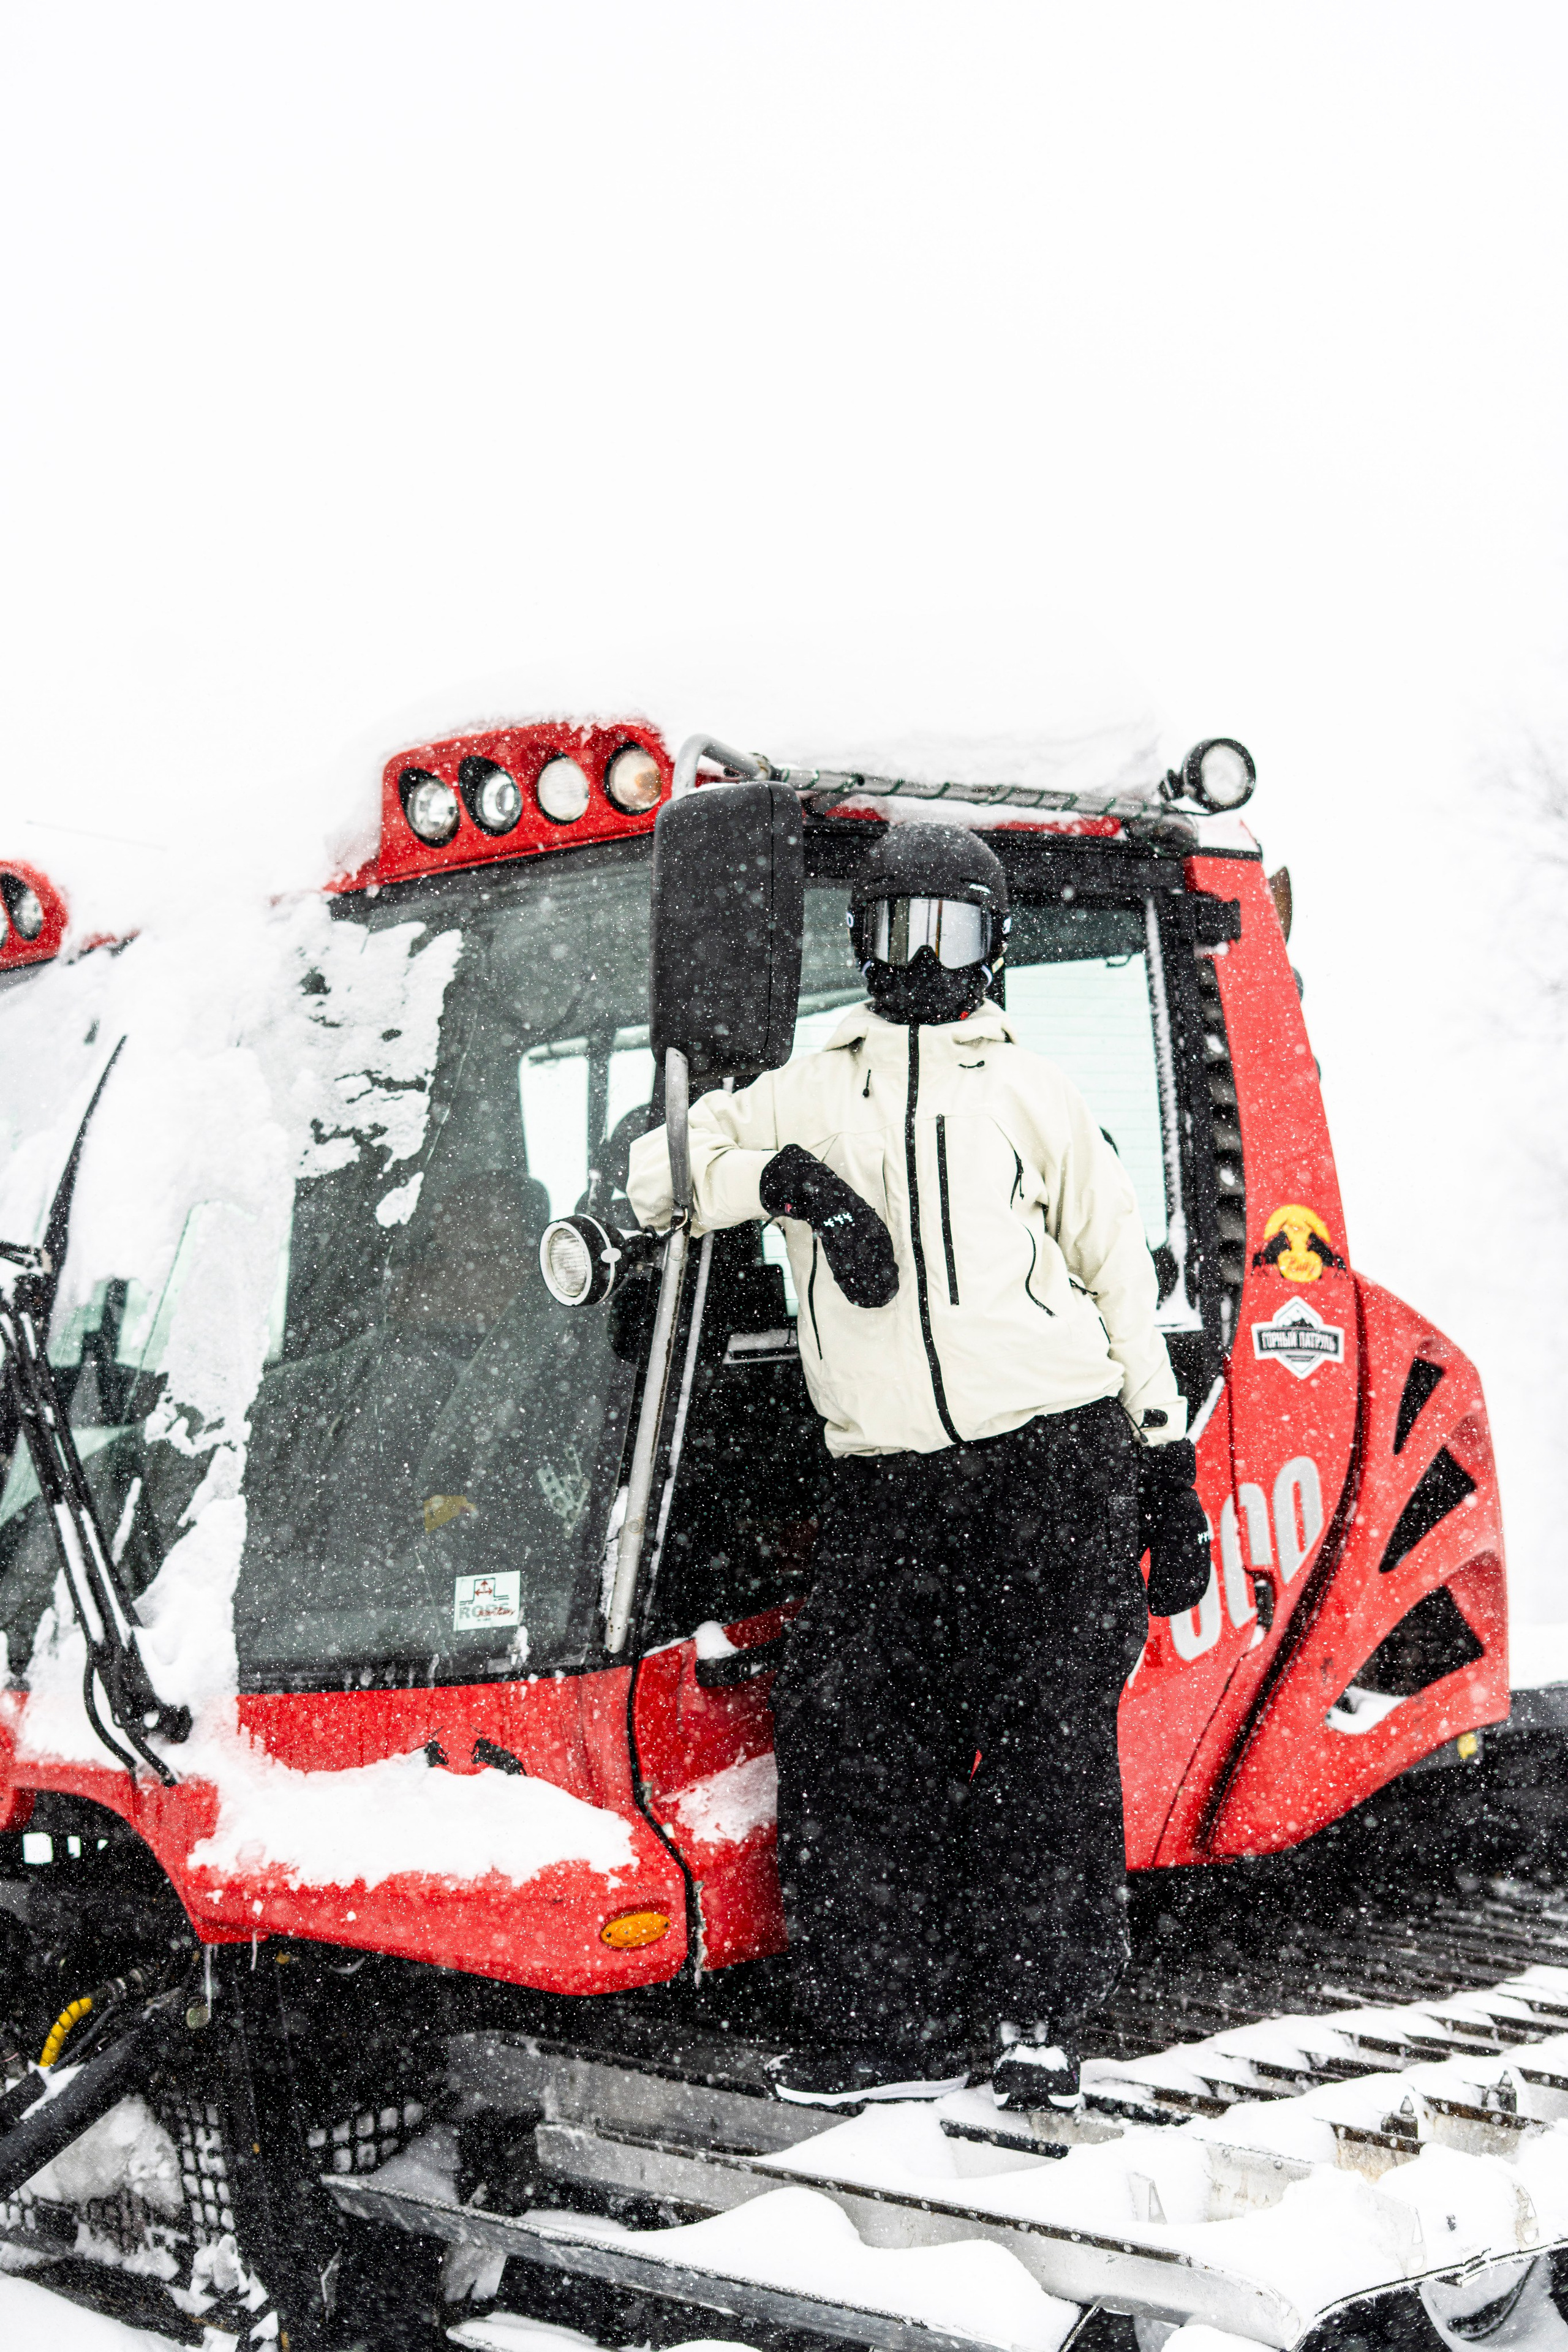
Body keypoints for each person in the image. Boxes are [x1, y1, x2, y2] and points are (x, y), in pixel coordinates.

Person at [627, 821, 1210, 2109]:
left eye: (950, 933)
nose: (923, 960)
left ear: (992, 946)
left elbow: (1117, 1276)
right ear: (863, 939)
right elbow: (654, 1173)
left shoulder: (1031, 1092)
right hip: (890, 1480)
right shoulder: (808, 1085)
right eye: (899, 929)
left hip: (1052, 1458)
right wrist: (787, 1186)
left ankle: (1033, 2017)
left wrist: (1162, 1460)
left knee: (1045, 1739)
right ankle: (891, 2025)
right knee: (848, 1726)